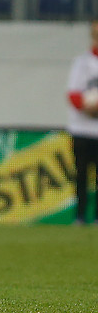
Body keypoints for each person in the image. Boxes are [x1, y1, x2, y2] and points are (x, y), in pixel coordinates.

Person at [66, 19, 98, 226]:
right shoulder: (82, 62)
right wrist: (90, 108)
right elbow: (73, 95)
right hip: (82, 129)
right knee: (81, 176)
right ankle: (80, 217)